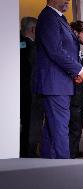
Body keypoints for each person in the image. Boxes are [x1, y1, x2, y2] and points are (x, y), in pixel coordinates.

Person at [33, 0, 83, 159]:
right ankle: (65, 169)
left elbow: (64, 51)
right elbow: (55, 51)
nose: (67, 1)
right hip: (54, 85)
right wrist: (79, 70)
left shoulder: (59, 18)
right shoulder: (48, 17)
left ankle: (49, 168)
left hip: (60, 83)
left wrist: (75, 74)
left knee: (52, 129)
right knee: (59, 128)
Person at [68, 20, 83, 159]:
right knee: (73, 130)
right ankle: (70, 157)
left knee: (77, 130)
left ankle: (73, 156)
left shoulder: (77, 50)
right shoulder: (70, 49)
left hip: (80, 98)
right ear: (75, 32)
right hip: (73, 98)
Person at [20, 16, 38, 157]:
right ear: (33, 29)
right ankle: (29, 155)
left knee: (24, 125)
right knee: (32, 125)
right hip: (31, 93)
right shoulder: (32, 47)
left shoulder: (17, 44)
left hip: (19, 92)